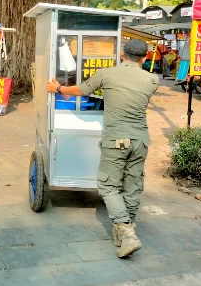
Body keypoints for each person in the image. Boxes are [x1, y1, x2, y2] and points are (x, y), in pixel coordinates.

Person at [46, 39, 159, 258]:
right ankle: (126, 230)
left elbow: (82, 89)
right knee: (133, 186)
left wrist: (58, 88)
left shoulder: (106, 74)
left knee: (108, 186)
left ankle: (126, 232)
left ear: (121, 54)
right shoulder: (152, 80)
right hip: (140, 141)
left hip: (116, 140)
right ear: (144, 59)